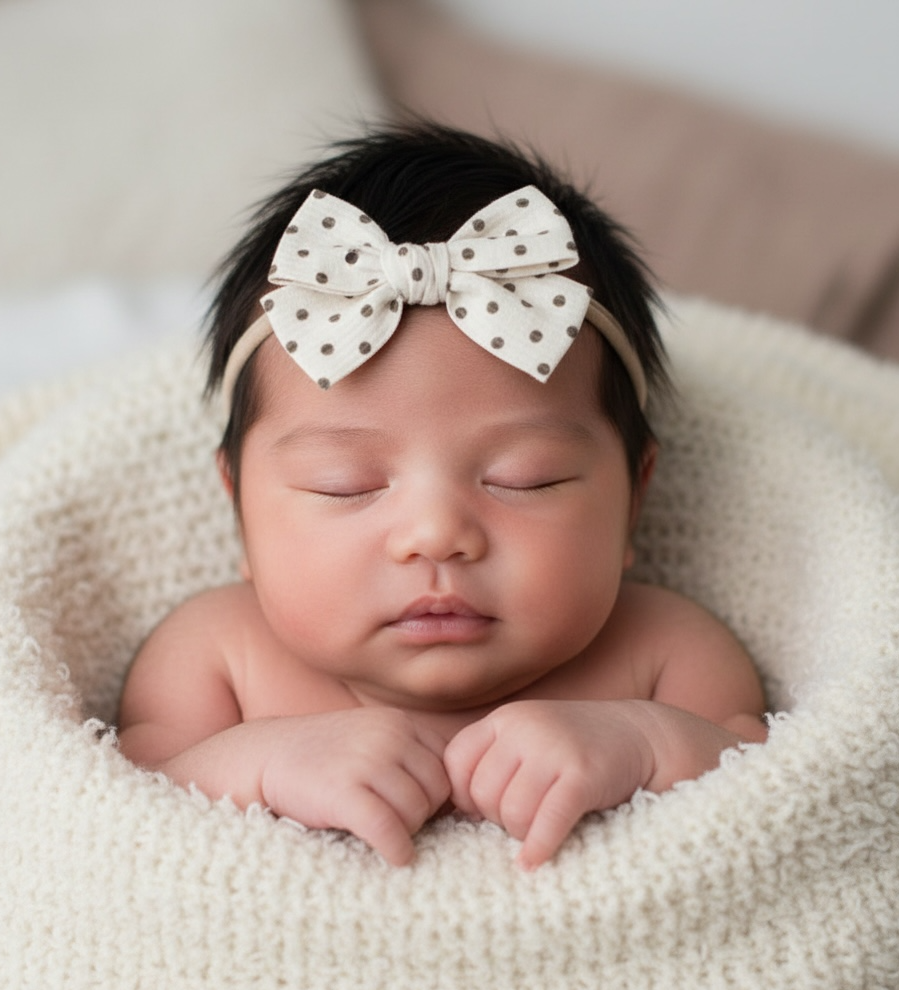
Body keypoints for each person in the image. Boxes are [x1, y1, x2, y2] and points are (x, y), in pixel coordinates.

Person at [116, 123, 767, 870]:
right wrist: (262, 764)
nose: (434, 534)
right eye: (346, 485)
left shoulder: (661, 655)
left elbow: (782, 800)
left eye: (525, 477)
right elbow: (117, 816)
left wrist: (646, 744)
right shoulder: (218, 656)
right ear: (240, 510)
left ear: (635, 498)